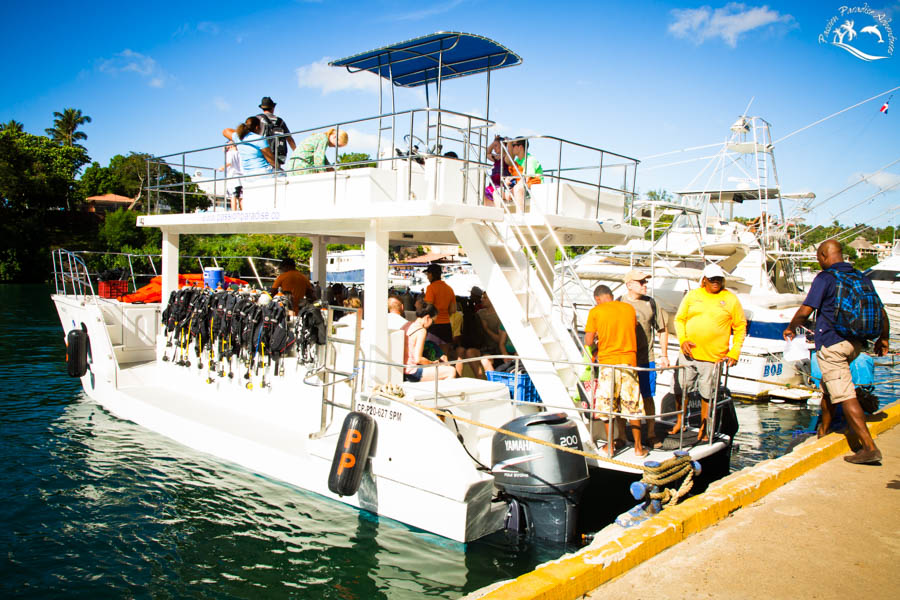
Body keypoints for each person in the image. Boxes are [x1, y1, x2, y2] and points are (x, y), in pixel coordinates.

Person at [784, 239, 889, 464]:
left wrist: (791, 327)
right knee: (829, 389)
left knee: (844, 394)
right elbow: (881, 310)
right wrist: (884, 338)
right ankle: (824, 429)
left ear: (823, 255)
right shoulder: (860, 276)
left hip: (832, 344)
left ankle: (869, 448)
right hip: (855, 343)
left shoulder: (826, 278)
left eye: (818, 258)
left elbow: (806, 309)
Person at [673, 263, 747, 442]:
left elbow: (740, 326)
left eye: (719, 279)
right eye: (712, 279)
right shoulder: (692, 295)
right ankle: (679, 421)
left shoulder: (730, 299)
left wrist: (734, 352)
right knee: (680, 389)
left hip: (712, 357)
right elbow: (679, 319)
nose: (716, 282)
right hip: (688, 354)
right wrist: (683, 340)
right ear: (704, 280)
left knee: (707, 393)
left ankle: (705, 427)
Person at [583, 285, 646, 457]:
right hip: (628, 363)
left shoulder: (596, 312)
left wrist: (596, 345)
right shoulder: (629, 308)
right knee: (632, 406)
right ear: (611, 295)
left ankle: (610, 446)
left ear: (597, 299)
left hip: (608, 364)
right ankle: (639, 448)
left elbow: (588, 340)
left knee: (607, 406)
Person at [618, 270, 670, 448]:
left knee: (648, 397)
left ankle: (651, 434)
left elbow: (662, 329)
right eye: (641, 282)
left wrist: (664, 355)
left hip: (646, 358)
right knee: (621, 397)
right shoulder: (620, 302)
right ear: (629, 284)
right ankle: (621, 435)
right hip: (624, 359)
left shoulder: (651, 303)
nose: (645, 285)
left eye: (645, 282)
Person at [402, 304, 457, 382]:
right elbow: (418, 359)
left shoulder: (407, 325)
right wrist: (432, 363)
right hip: (412, 372)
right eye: (433, 322)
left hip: (402, 369)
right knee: (451, 371)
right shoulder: (421, 330)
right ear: (427, 318)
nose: (432, 325)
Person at [503, 138, 543, 212]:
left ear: (520, 147)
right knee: (497, 192)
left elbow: (525, 179)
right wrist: (508, 180)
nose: (511, 147)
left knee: (517, 189)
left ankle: (520, 217)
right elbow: (514, 177)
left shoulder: (530, 160)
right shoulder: (517, 161)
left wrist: (511, 190)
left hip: (533, 187)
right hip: (522, 186)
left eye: (513, 145)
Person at [256, 96, 296, 167]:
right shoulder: (280, 121)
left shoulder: (257, 119)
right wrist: (297, 152)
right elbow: (289, 139)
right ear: (273, 108)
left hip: (263, 156)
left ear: (262, 108)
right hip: (277, 156)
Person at [423, 263, 456, 344]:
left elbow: (429, 307)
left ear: (431, 274)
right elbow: (453, 310)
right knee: (444, 355)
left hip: (434, 325)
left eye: (427, 274)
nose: (427, 277)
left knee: (432, 354)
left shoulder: (431, 288)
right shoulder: (449, 289)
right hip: (446, 325)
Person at [217, 143, 243, 211]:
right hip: (241, 176)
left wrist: (221, 168)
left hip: (232, 176)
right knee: (240, 196)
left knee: (233, 195)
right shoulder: (240, 153)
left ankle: (233, 212)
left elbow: (229, 162)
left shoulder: (230, 153)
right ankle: (242, 210)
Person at [484, 135, 509, 205]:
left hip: (501, 185)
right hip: (492, 185)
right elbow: (487, 153)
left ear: (502, 145)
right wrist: (494, 141)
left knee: (488, 191)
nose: (494, 148)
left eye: (496, 146)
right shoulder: (496, 157)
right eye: (493, 146)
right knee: (483, 191)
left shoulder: (507, 157)